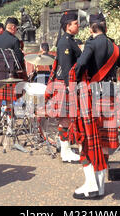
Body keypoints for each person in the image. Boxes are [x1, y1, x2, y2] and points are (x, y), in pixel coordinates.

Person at [71, 13, 120, 199]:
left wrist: (75, 80)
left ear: (92, 28)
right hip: (111, 98)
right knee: (104, 143)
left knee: (87, 141)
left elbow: (81, 65)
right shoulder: (115, 48)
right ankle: (100, 187)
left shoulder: (91, 44)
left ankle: (91, 185)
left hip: (92, 98)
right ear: (105, 27)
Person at [45, 11, 81, 163]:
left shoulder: (68, 40)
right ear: (68, 26)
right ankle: (65, 152)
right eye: (75, 23)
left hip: (65, 84)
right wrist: (70, 86)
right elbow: (66, 67)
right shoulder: (65, 42)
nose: (78, 25)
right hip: (65, 84)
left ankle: (66, 150)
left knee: (66, 119)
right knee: (65, 120)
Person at [0, 17, 26, 136]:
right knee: (9, 102)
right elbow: (18, 60)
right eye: (16, 28)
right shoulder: (14, 40)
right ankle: (10, 128)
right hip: (8, 74)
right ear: (13, 27)